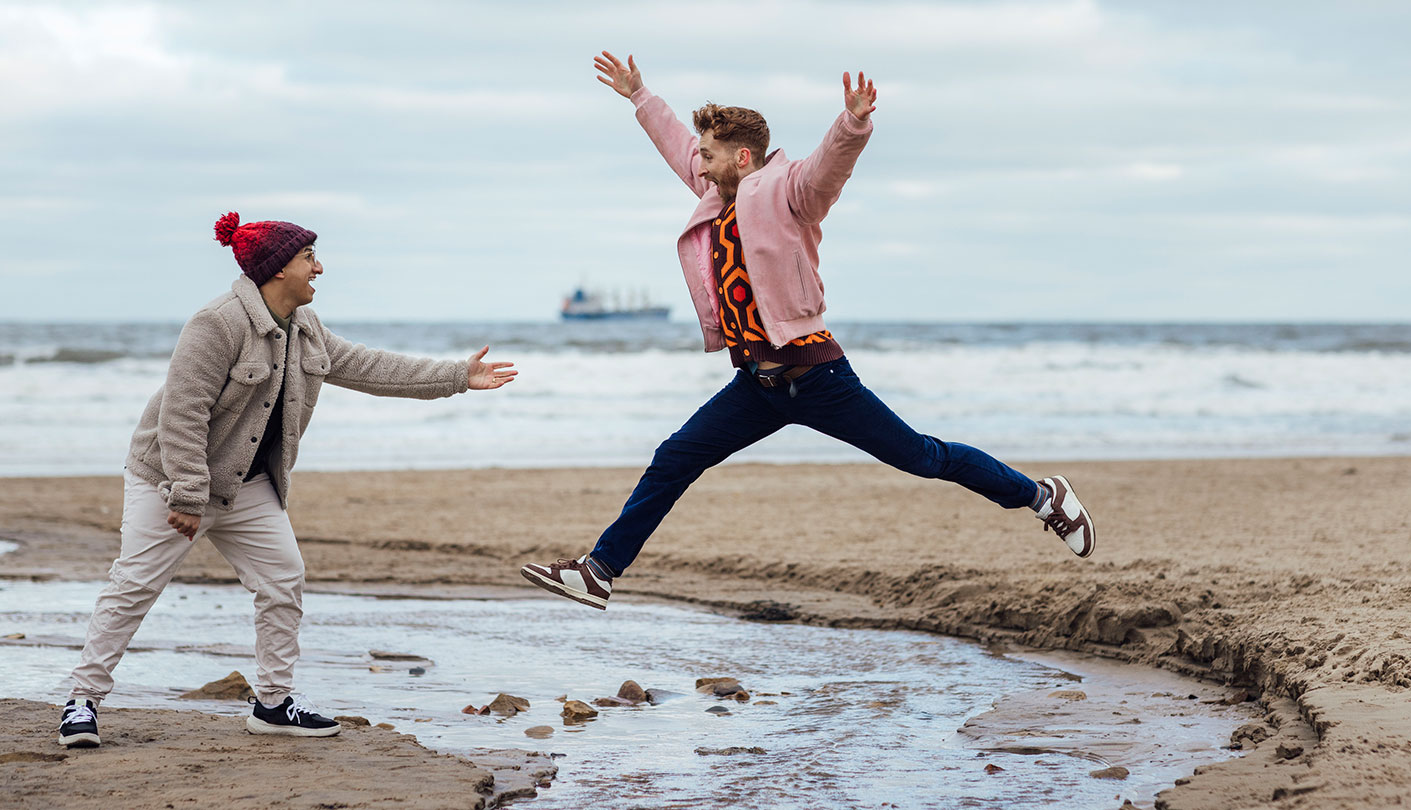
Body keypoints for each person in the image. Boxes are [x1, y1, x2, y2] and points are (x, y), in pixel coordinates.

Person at [521, 53, 1095, 612]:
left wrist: (854, 122)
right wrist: (641, 97)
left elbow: (829, 165)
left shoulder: (791, 191)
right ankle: (599, 572)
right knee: (673, 459)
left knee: (922, 457)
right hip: (757, 386)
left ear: (742, 157)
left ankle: (1045, 498)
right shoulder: (712, 194)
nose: (698, 163)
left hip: (817, 375)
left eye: (709, 155)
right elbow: (677, 141)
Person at [57, 212, 517, 748]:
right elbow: (183, 411)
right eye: (308, 259)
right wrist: (186, 492)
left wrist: (457, 377)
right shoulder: (218, 323)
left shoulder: (306, 328)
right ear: (278, 270)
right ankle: (82, 701)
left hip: (249, 485)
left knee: (283, 581)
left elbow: (370, 367)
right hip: (172, 481)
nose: (319, 268)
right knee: (134, 586)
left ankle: (273, 703)